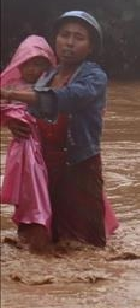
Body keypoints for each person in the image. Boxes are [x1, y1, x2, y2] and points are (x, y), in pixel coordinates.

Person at [0, 11, 118, 247]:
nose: (70, 42)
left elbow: (66, 98)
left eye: (79, 37)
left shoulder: (94, 77)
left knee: (83, 243)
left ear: (91, 47)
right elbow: (32, 114)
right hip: (45, 166)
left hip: (79, 165)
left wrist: (11, 94)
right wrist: (14, 123)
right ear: (56, 40)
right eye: (65, 35)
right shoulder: (47, 75)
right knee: (45, 239)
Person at [0, 35, 56, 251]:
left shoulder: (53, 89)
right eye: (28, 64)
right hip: (24, 149)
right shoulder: (12, 88)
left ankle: (42, 233)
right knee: (29, 189)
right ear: (19, 65)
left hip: (51, 149)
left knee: (50, 191)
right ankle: (31, 233)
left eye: (39, 64)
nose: (33, 70)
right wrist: (11, 120)